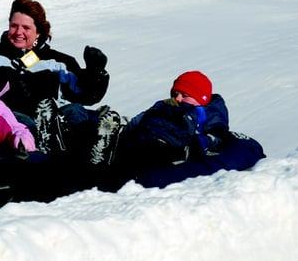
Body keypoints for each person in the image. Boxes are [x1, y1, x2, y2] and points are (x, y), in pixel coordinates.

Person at [0, 0, 116, 163]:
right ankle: (45, 147)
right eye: (14, 26)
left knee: (75, 111)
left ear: (38, 31)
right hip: (12, 121)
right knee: (21, 120)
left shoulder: (58, 61)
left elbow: (85, 94)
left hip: (57, 121)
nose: (18, 32)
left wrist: (95, 73)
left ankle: (98, 149)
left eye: (26, 27)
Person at [98, 70, 266, 191]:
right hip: (127, 151)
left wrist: (197, 146)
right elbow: (135, 124)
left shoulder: (213, 130)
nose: (177, 98)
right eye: (175, 93)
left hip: (145, 168)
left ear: (202, 99)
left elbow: (249, 149)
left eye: (184, 95)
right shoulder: (164, 107)